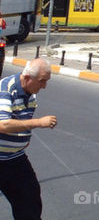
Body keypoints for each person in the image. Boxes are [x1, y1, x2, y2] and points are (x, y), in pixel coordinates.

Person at [0, 57, 57, 220]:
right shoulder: (5, 90)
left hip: (16, 159)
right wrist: (39, 122)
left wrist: (24, 138)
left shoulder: (31, 94)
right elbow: (3, 124)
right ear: (27, 78)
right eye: (42, 81)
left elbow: (22, 123)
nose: (44, 86)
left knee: (30, 200)